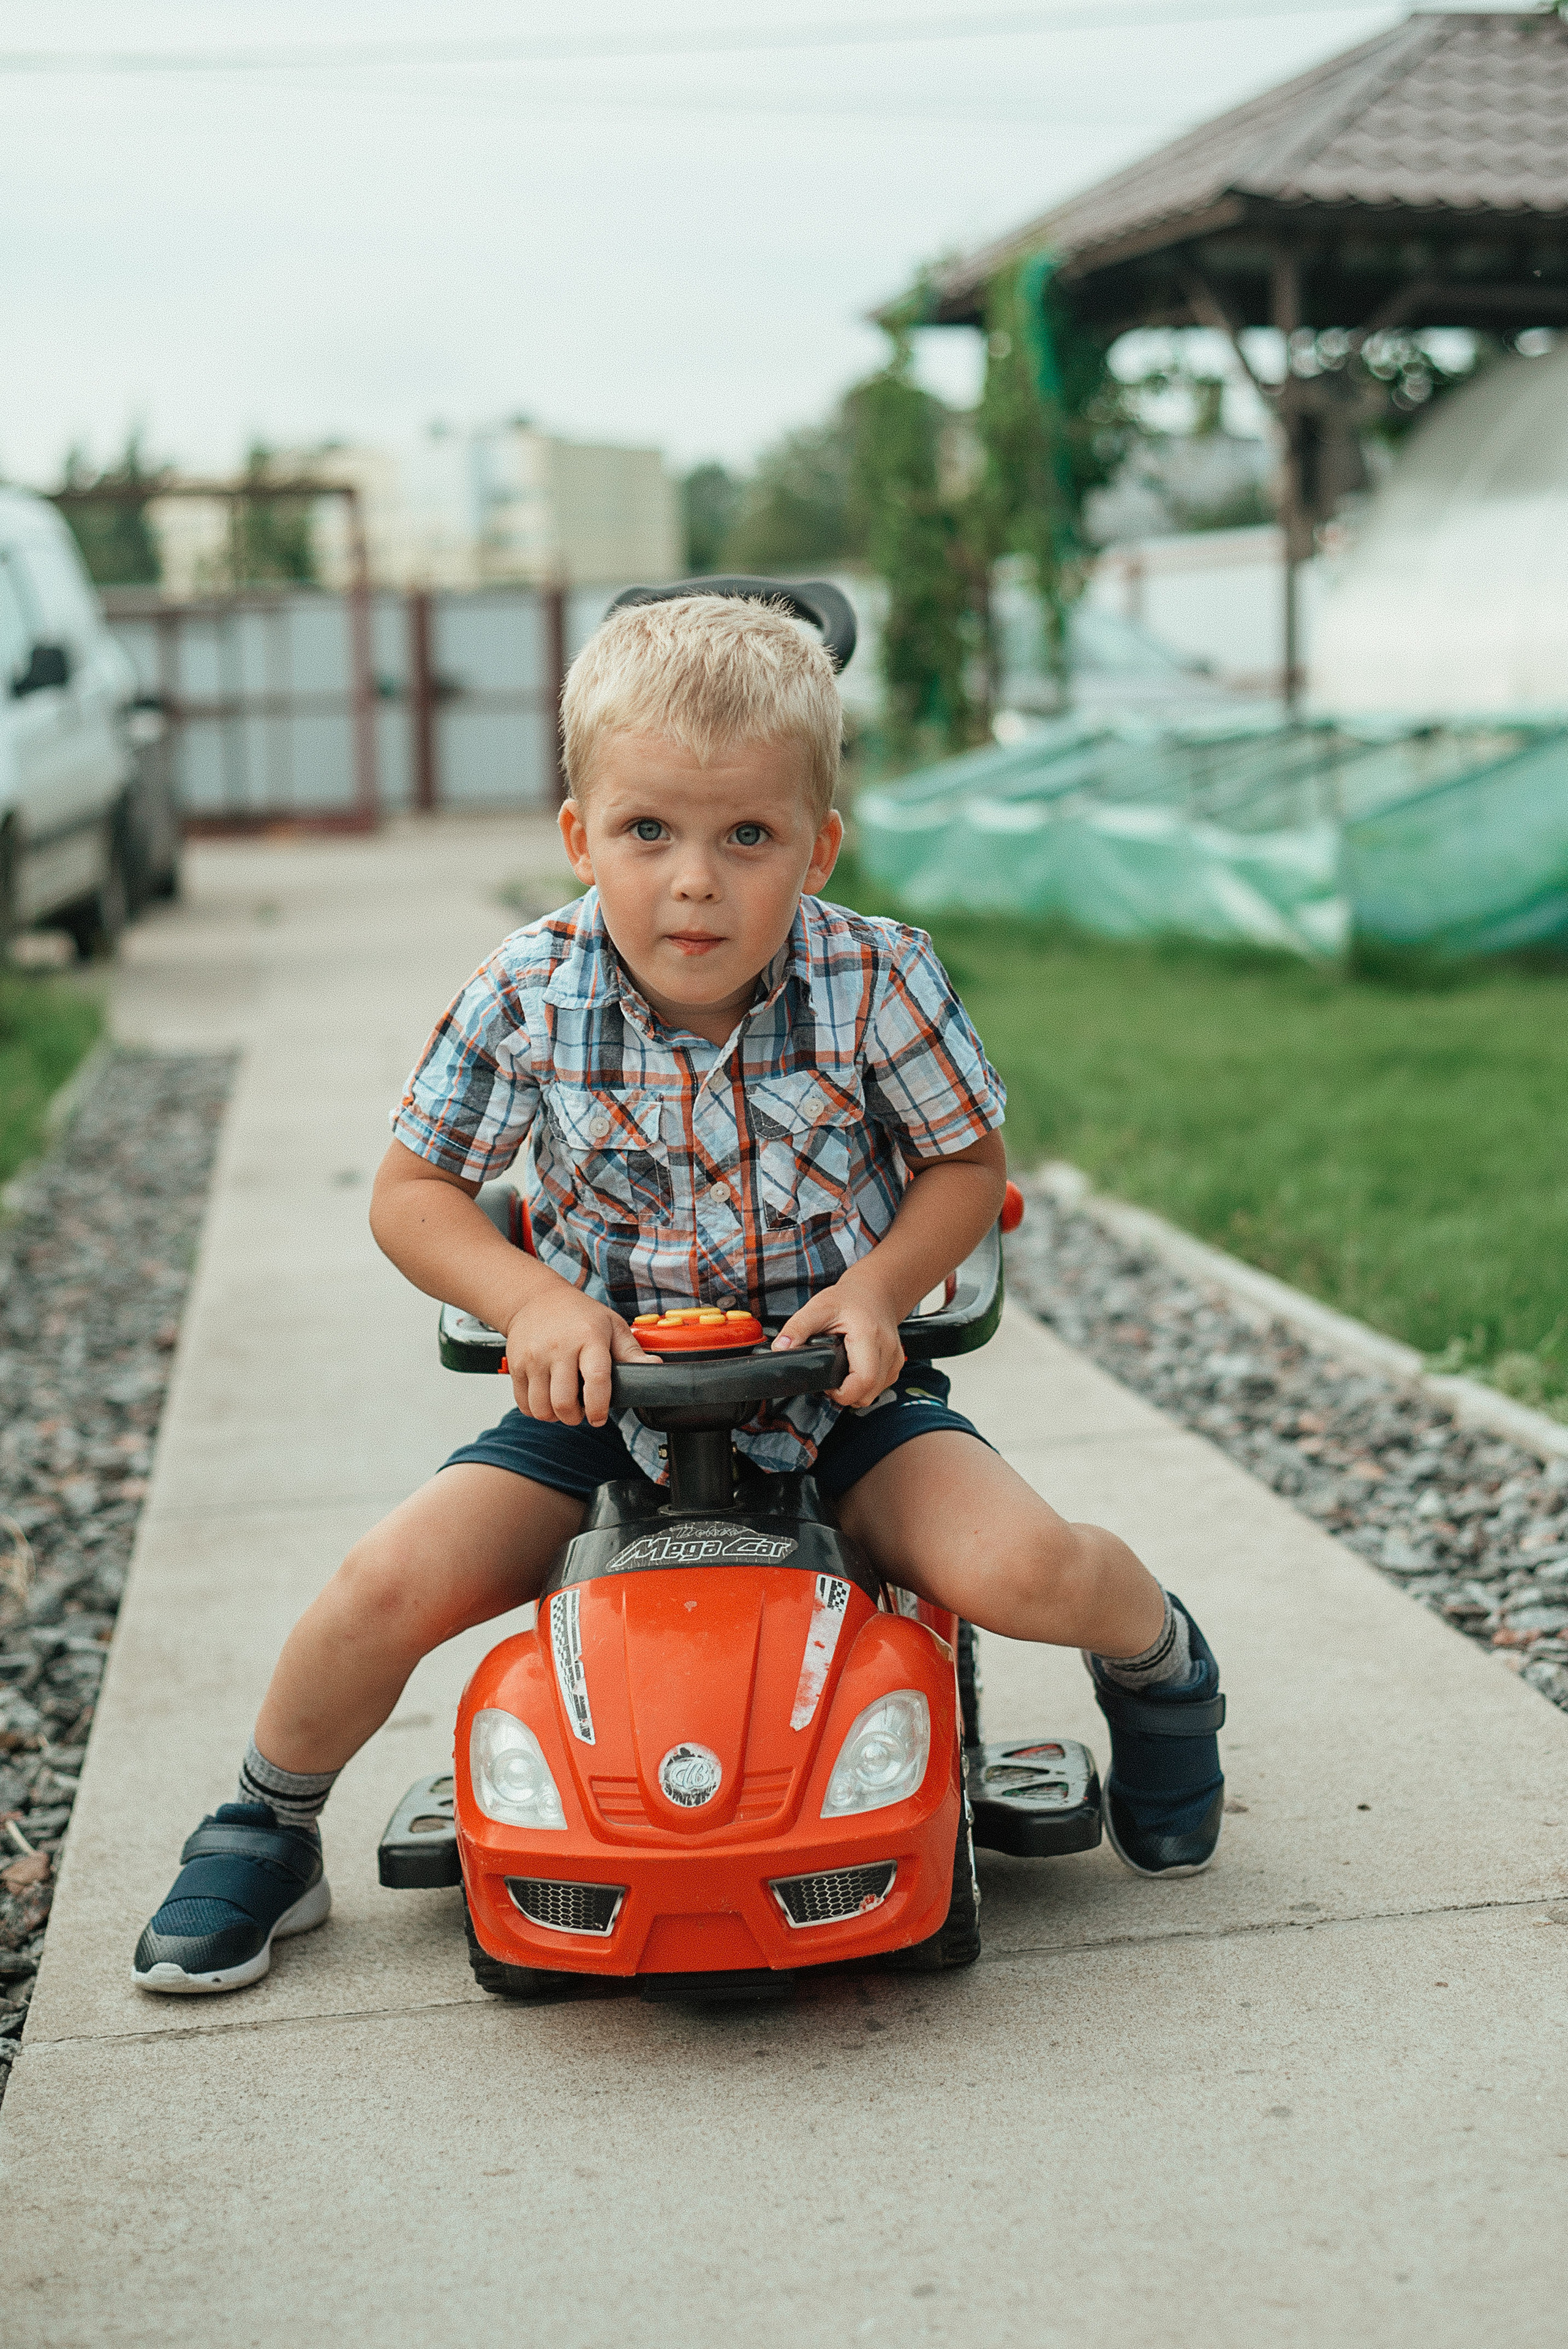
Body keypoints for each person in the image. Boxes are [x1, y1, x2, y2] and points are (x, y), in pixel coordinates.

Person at [133, 593, 1225, 1996]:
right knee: (382, 1584)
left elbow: (965, 1166)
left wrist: (883, 1286)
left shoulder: (874, 977)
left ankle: (1157, 1666)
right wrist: (530, 1302)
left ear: (816, 847)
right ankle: (265, 1824)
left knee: (1019, 1568)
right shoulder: (526, 993)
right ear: (579, 832)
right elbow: (410, 1198)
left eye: (745, 837)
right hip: (604, 1403)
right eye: (648, 832)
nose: (693, 882)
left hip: (835, 1397)